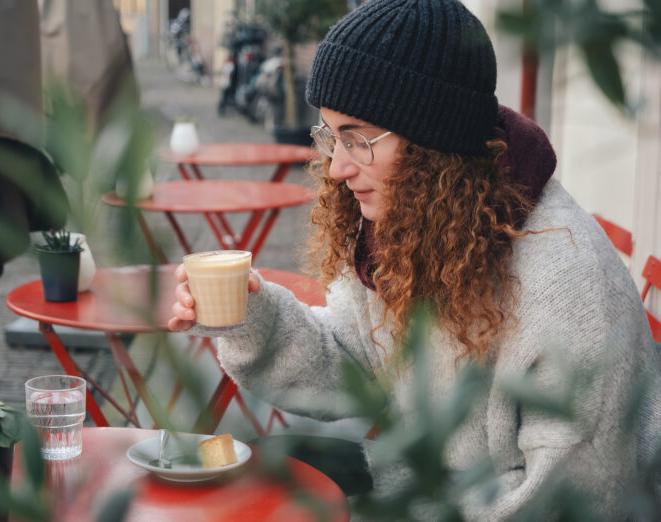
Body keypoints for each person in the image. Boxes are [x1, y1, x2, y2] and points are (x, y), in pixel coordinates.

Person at [169, 0, 660, 518]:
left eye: (356, 139)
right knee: (268, 468)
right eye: (330, 136)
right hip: (433, 481)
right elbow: (355, 360)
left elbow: (573, 502)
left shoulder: (565, 283)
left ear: (433, 144)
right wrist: (251, 318)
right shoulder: (421, 224)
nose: (335, 168)